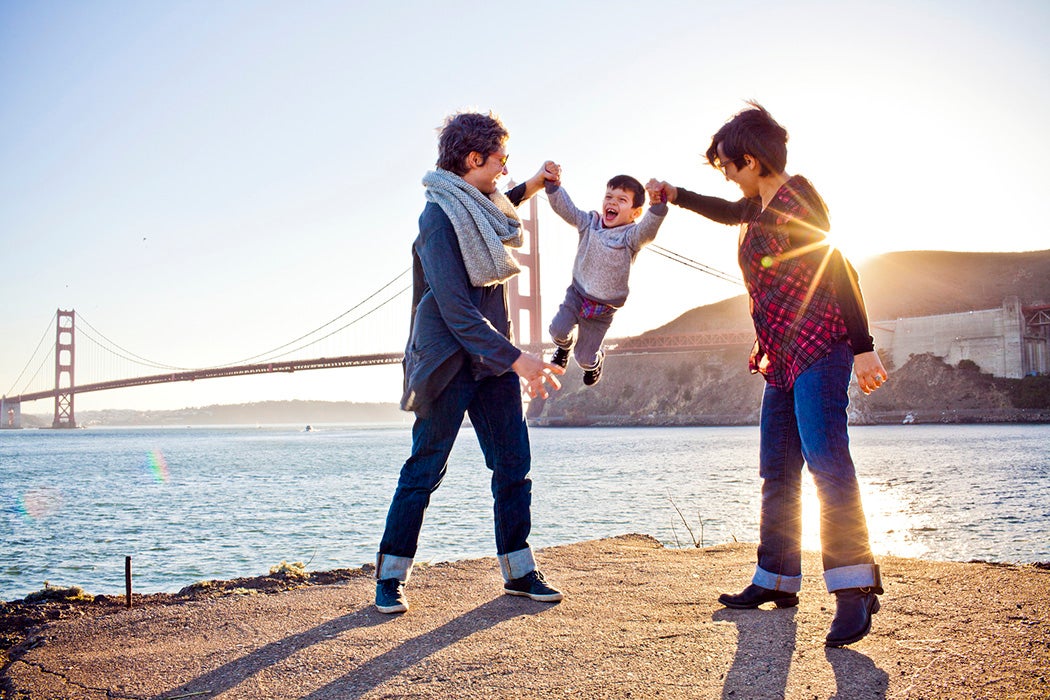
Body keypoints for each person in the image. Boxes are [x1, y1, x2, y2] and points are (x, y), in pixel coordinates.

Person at [649, 102, 889, 647]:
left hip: (821, 346)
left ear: (752, 161)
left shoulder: (798, 200)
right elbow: (727, 211)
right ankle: (777, 579)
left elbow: (840, 268)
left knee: (827, 461)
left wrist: (864, 347)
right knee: (777, 468)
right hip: (780, 354)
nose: (729, 177)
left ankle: (854, 592)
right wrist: (677, 196)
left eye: (730, 167)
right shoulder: (758, 207)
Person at [375, 111, 566, 614]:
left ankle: (519, 572)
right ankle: (391, 576)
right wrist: (518, 359)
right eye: (501, 160)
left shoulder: (480, 206)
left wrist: (538, 182)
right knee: (425, 469)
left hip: (491, 365)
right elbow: (456, 308)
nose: (505, 169)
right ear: (473, 159)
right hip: (448, 362)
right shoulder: (437, 219)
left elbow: (506, 201)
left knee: (512, 466)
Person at [543, 169, 667, 385]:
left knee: (584, 358)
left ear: (635, 213)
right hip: (578, 294)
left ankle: (596, 361)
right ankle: (563, 347)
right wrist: (553, 186)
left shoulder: (631, 237)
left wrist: (657, 208)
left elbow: (648, 231)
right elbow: (567, 210)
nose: (612, 203)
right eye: (609, 197)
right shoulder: (589, 223)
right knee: (557, 330)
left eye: (622, 200)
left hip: (603, 309)